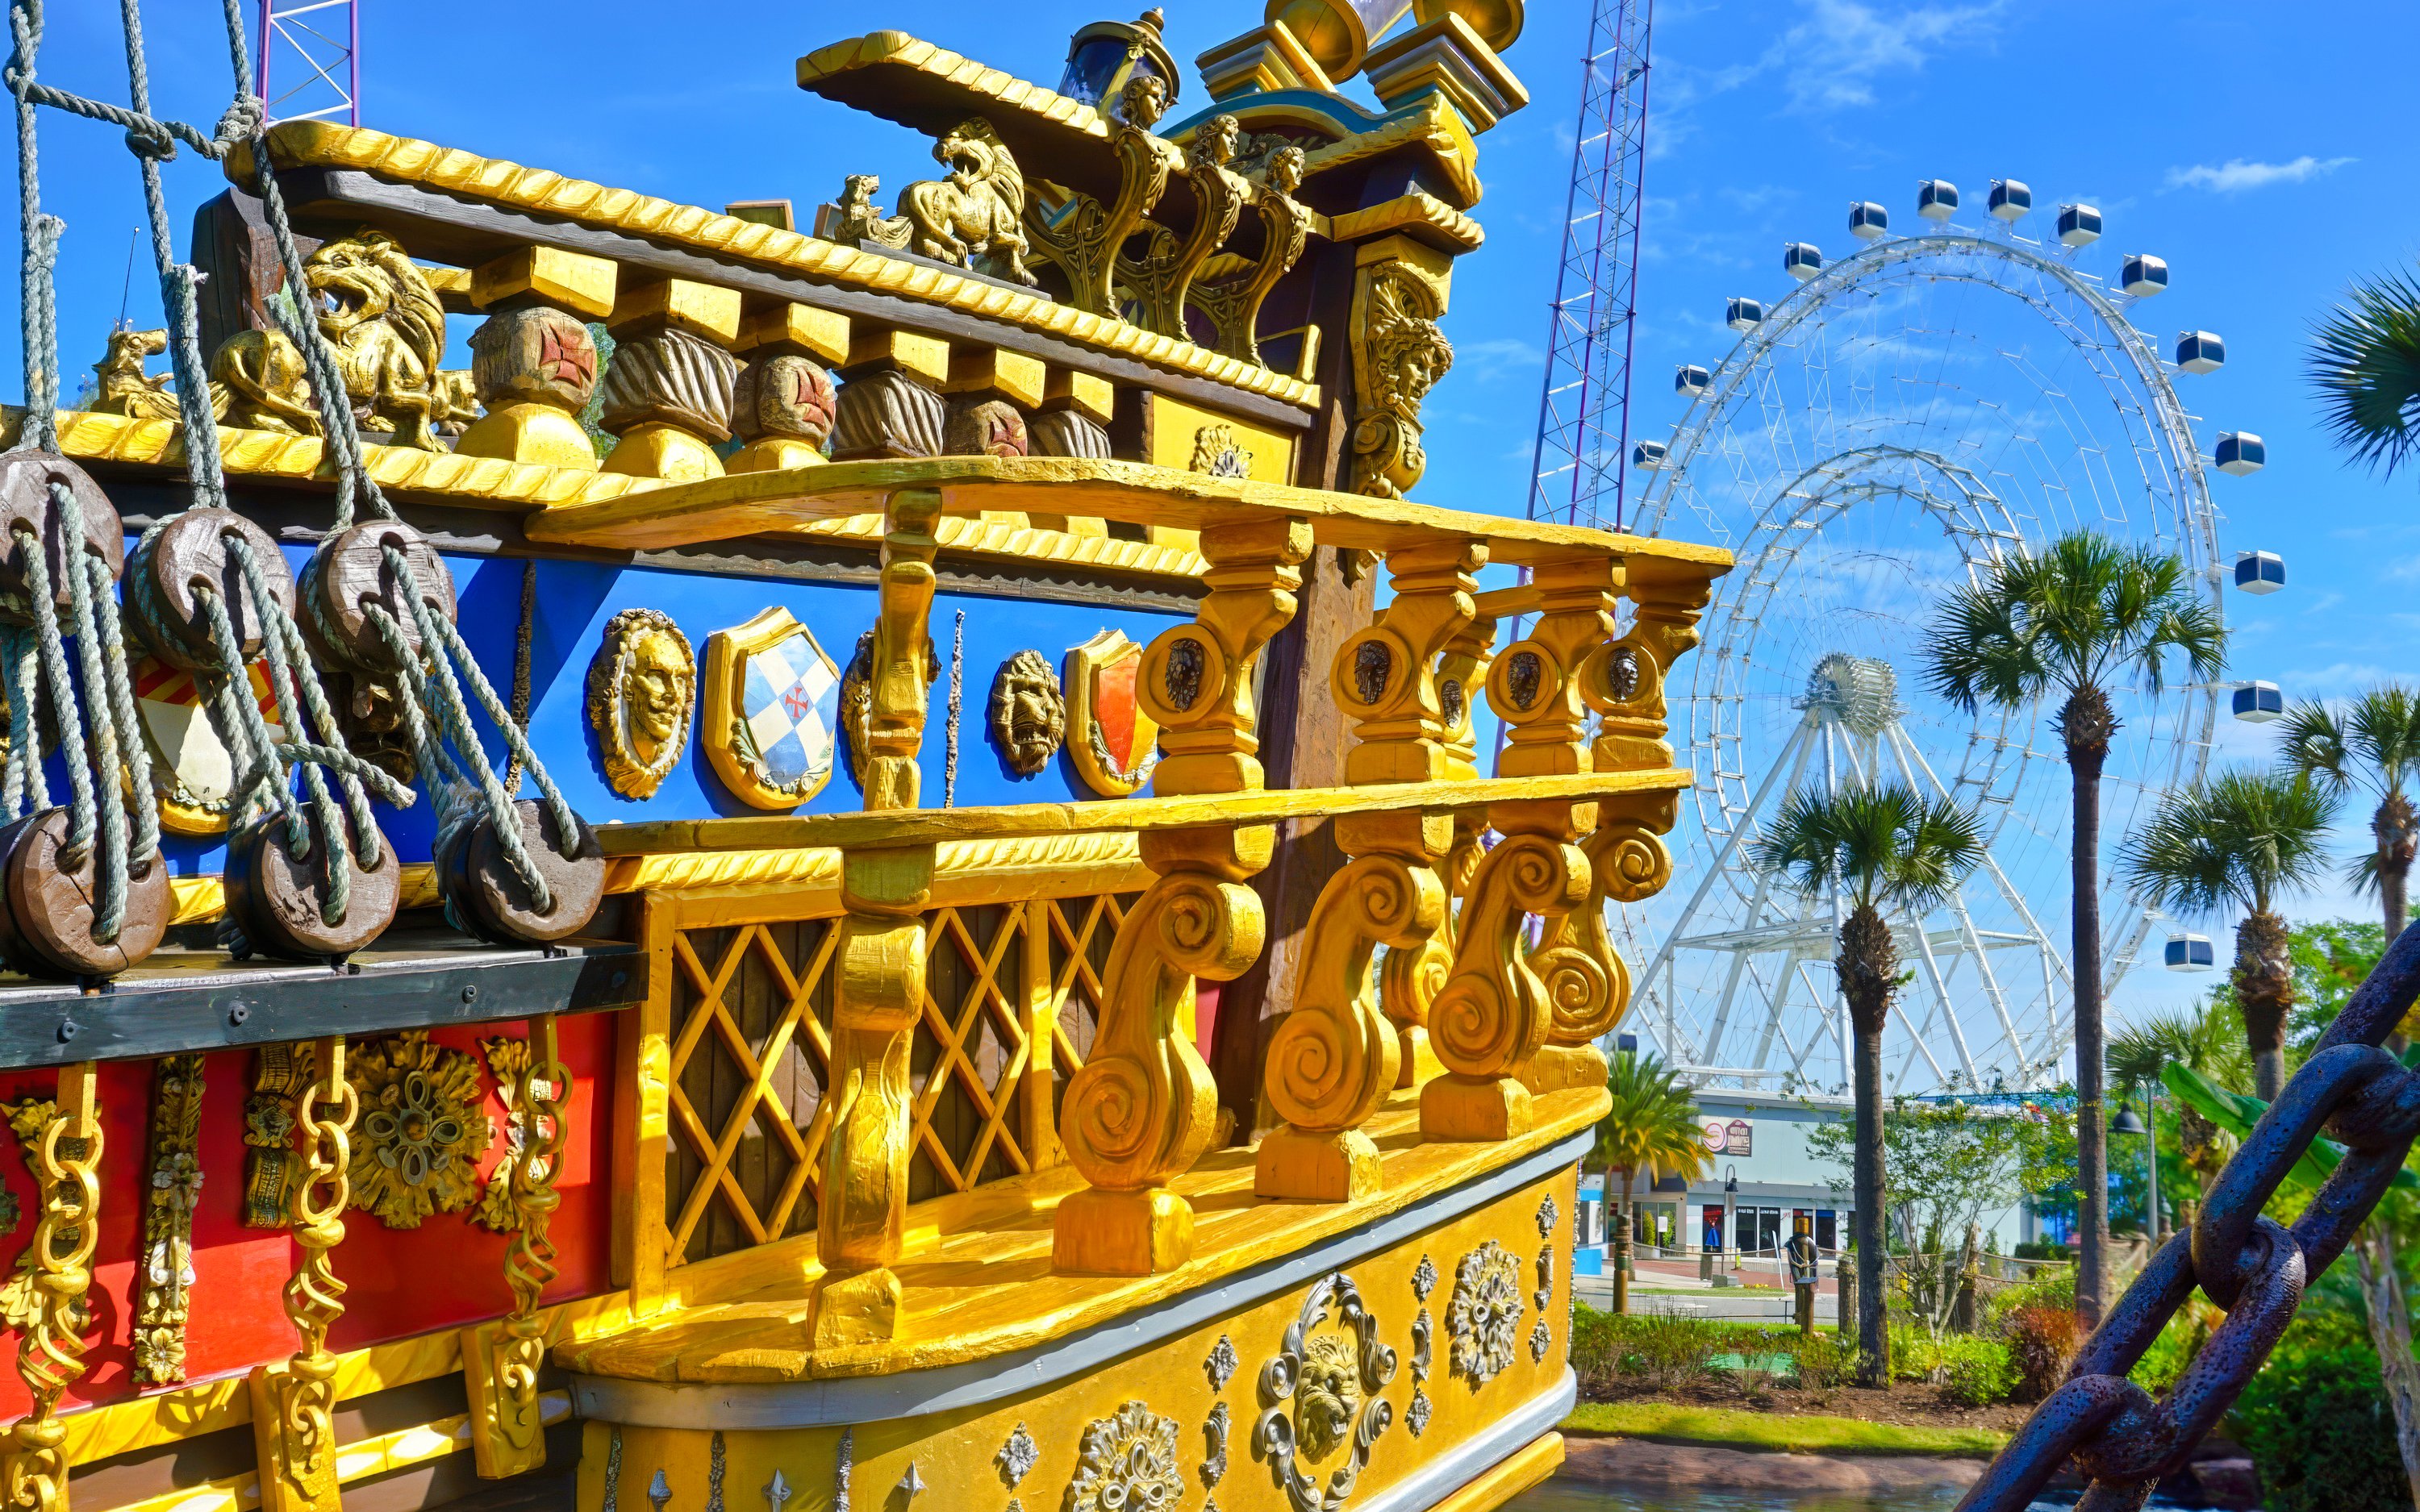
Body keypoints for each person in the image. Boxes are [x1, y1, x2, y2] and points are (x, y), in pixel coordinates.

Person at [1786, 1211, 1821, 1335]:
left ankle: (1805, 1320)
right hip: (1798, 1271)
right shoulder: (1791, 1243)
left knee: (1807, 1293)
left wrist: (1809, 1265)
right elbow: (1790, 1258)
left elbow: (1816, 1257)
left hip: (1807, 1271)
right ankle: (1799, 1318)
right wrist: (1797, 1267)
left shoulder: (1809, 1242)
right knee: (1799, 1292)